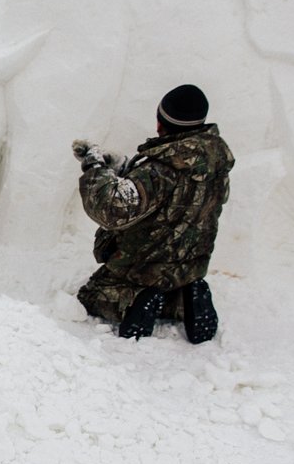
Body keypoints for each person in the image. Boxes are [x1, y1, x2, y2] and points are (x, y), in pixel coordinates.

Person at [73, 84, 234, 343]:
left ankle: (134, 301)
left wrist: (94, 168)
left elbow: (112, 209)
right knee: (172, 282)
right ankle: (184, 299)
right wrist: (122, 168)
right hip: (188, 266)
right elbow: (174, 196)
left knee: (91, 296)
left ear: (162, 122)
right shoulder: (215, 161)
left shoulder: (160, 169)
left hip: (146, 266)